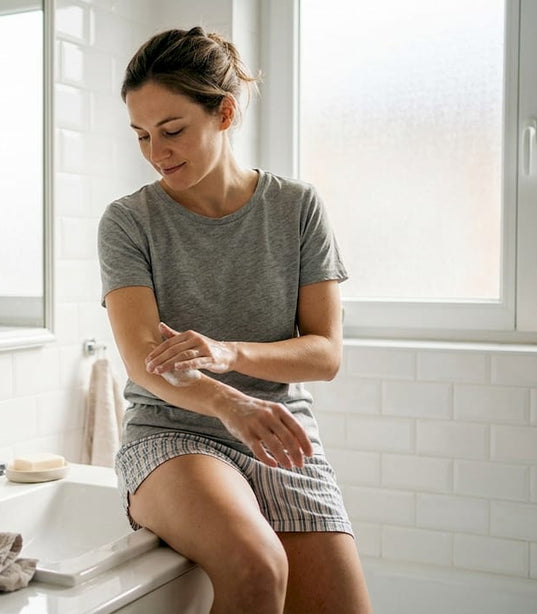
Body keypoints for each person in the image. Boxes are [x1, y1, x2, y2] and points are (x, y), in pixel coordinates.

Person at [98, 28, 372, 613]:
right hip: (173, 435)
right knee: (257, 566)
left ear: (224, 112)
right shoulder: (128, 222)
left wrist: (229, 354)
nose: (156, 152)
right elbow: (144, 360)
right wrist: (228, 402)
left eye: (172, 131)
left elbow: (325, 354)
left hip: (280, 432)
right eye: (142, 136)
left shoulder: (297, 209)